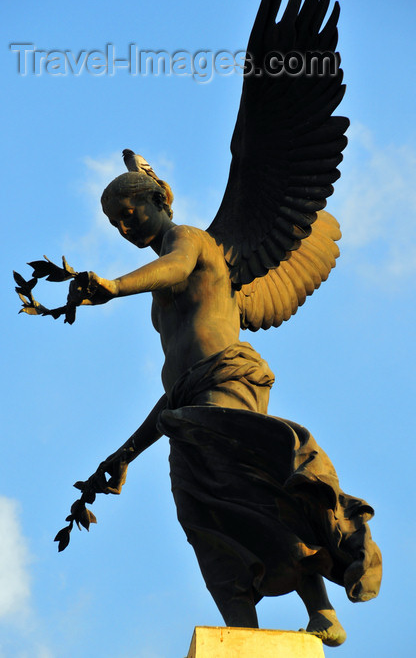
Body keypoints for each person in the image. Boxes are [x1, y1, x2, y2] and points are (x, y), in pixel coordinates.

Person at [69, 171, 381, 647]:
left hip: (226, 381)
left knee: (246, 487)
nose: (124, 229)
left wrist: (113, 286)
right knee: (203, 516)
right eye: (116, 225)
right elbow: (175, 388)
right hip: (188, 403)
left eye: (128, 215)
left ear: (157, 200)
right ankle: (241, 633)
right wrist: (124, 453)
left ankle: (320, 607)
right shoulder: (159, 294)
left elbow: (175, 266)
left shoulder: (190, 240)